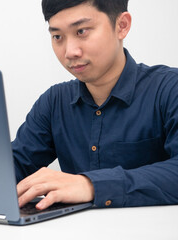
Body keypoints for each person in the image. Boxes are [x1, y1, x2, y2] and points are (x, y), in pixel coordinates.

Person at [12, 0, 178, 211]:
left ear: (122, 25)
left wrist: (90, 185)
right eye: (57, 37)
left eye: (81, 31)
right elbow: (14, 166)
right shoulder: (54, 102)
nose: (70, 52)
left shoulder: (169, 88)